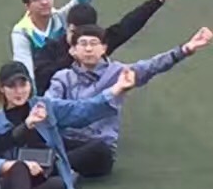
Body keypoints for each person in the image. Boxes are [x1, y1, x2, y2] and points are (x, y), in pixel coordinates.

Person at [0, 61, 136, 189]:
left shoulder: (45, 106)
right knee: (21, 168)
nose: (19, 91)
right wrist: (12, 162)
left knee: (58, 187)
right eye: (12, 86)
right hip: (15, 177)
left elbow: (82, 110)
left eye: (22, 84)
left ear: (30, 85)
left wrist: (117, 89)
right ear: (2, 89)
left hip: (45, 175)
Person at [44, 25, 211, 177]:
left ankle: (53, 167)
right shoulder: (62, 77)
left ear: (104, 48)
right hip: (67, 140)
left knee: (100, 150)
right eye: (83, 44)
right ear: (73, 50)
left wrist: (185, 49)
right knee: (41, 135)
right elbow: (49, 106)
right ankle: (62, 167)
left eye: (94, 43)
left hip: (97, 145)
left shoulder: (119, 73)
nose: (88, 49)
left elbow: (151, 66)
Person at [38, 0, 183, 87]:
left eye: (88, 36)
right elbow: (41, 79)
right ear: (68, 27)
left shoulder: (99, 44)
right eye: (75, 33)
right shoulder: (50, 49)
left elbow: (129, 25)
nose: (86, 46)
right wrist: (70, 58)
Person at [10, 0, 106, 92]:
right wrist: (31, 96)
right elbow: (24, 66)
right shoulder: (22, 32)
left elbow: (79, 0)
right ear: (27, 6)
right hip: (42, 85)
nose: (44, 2)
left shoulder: (59, 17)